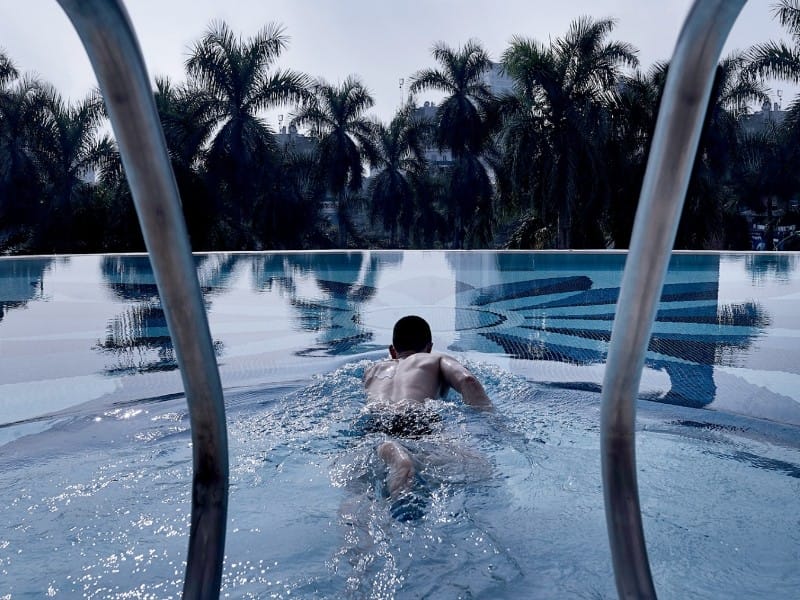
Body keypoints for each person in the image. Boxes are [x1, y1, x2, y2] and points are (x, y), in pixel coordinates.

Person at [361, 315, 491, 512]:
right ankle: (405, 459)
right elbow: (468, 381)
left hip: (375, 419)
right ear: (429, 347)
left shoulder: (372, 370)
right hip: (414, 415)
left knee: (363, 489)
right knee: (480, 470)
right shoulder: (435, 359)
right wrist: (490, 419)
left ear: (392, 351)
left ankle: (391, 452)